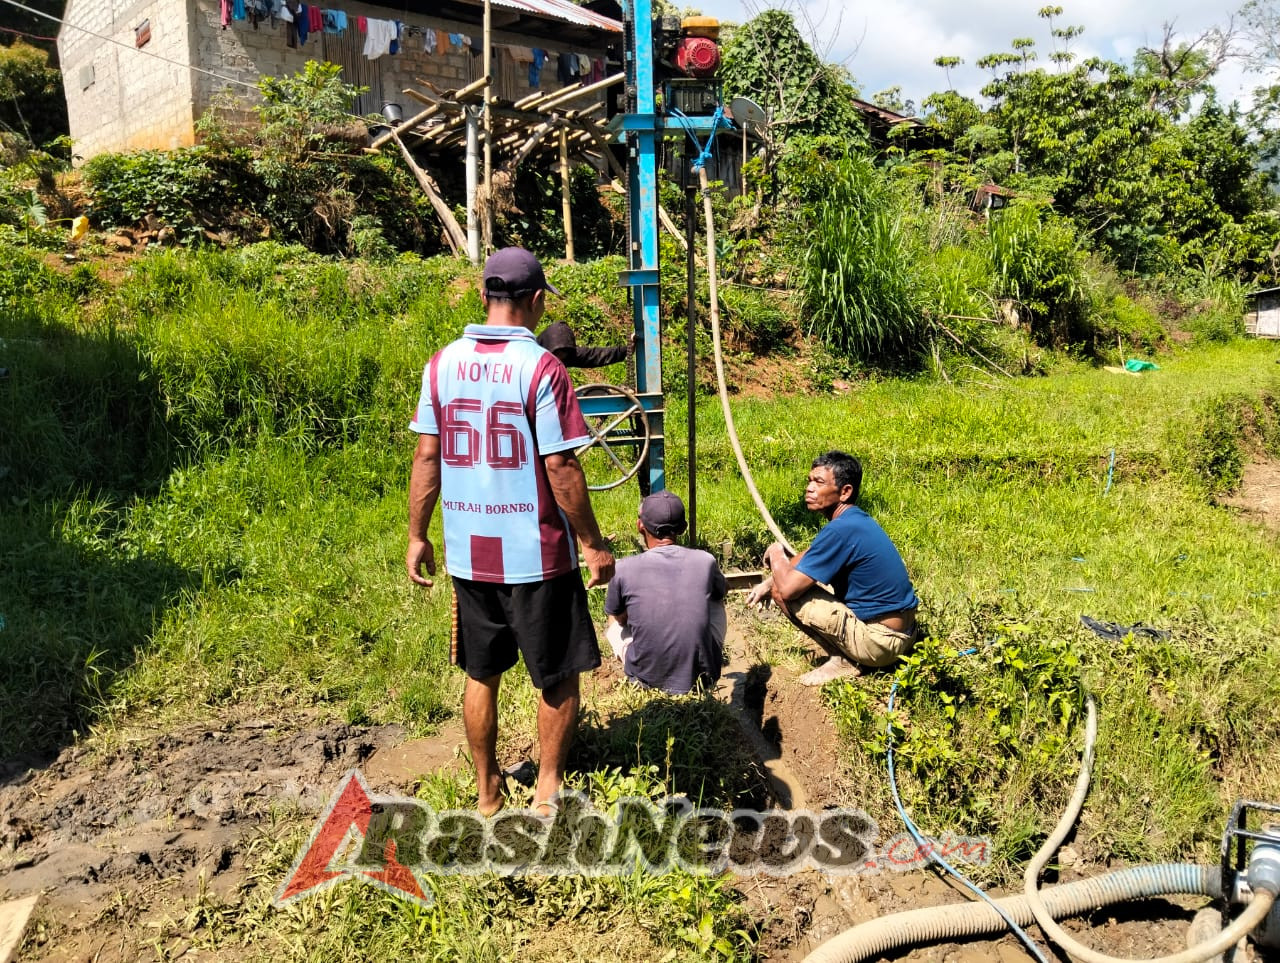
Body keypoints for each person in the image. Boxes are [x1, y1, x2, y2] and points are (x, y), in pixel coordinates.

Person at [406, 247, 615, 817]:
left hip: (470, 552)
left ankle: (487, 791)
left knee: (482, 673)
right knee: (560, 675)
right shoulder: (542, 368)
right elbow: (561, 467)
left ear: (483, 296)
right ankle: (547, 788)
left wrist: (417, 534)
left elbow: (428, 456)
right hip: (537, 553)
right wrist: (593, 543)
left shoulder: (442, 363)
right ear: (538, 300)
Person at [746, 451, 919, 687]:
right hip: (906, 635)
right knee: (777, 583)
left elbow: (787, 589)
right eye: (809, 480)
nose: (809, 488)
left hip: (881, 645)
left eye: (819, 482)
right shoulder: (853, 521)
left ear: (845, 492)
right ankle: (849, 654)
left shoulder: (840, 530)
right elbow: (808, 556)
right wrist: (768, 580)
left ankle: (843, 661)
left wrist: (776, 553)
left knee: (782, 590)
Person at [604, 491, 727, 694]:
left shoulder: (623, 568)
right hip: (702, 678)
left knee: (614, 612)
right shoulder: (705, 561)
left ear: (640, 526)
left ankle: (635, 665)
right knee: (716, 597)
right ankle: (703, 658)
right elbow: (722, 591)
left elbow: (620, 619)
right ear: (683, 528)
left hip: (644, 679)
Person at [537, 321, 634, 371]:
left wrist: (627, 349)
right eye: (557, 354)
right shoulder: (533, 357)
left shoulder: (569, 355)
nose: (560, 358)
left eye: (564, 354)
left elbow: (596, 355)